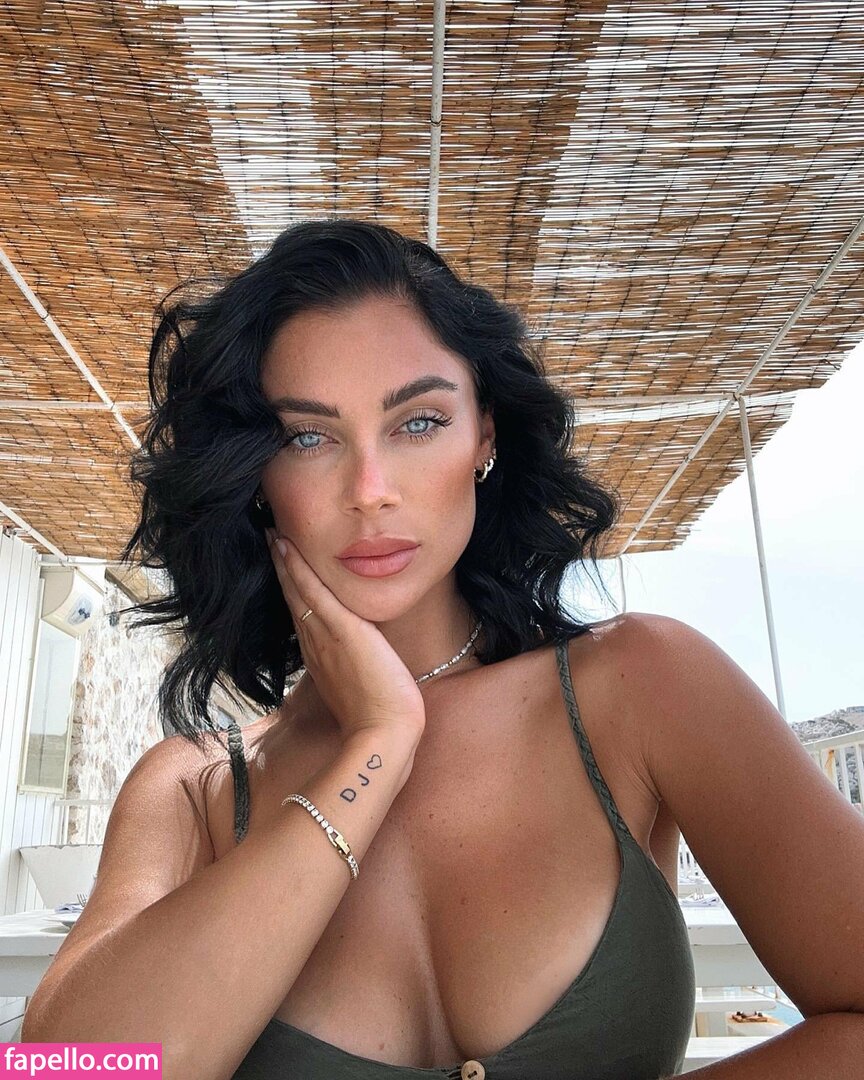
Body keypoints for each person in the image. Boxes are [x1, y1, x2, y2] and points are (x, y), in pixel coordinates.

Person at [21, 220, 864, 1079]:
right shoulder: (192, 791)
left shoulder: (645, 687)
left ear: (484, 437)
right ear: (257, 477)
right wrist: (377, 743)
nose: (370, 491)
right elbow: (69, 1069)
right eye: (307, 436)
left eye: (418, 422)